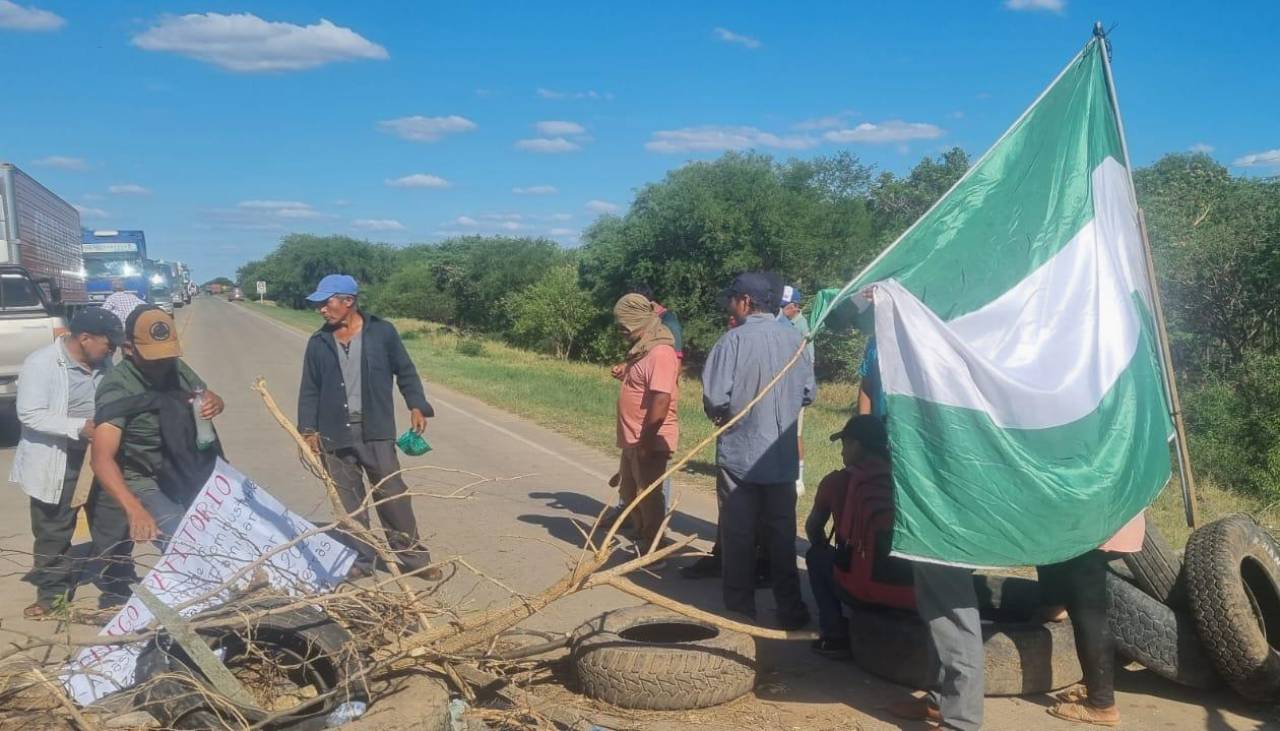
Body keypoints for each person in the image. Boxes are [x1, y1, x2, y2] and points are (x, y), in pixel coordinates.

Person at [296, 274, 440, 581]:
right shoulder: (318, 342)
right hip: (333, 435)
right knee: (349, 503)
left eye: (326, 302)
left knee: (393, 497)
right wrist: (307, 431)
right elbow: (309, 389)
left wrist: (416, 404)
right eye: (319, 304)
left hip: (376, 431)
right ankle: (361, 560)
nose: (321, 309)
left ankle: (414, 560)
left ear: (348, 302)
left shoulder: (382, 333)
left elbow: (406, 371)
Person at [699, 272, 815, 628]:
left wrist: (723, 416)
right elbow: (809, 393)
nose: (730, 305)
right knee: (781, 534)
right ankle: (790, 608)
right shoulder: (797, 340)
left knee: (738, 532)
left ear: (746, 301)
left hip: (742, 455)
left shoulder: (731, 342)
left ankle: (739, 610)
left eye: (732, 299)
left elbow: (715, 398)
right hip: (781, 458)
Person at [10, 309, 134, 617]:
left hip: (101, 456)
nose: (113, 350)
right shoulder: (41, 364)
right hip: (57, 457)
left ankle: (118, 585)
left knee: (114, 521)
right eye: (109, 343)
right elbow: (29, 413)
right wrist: (79, 427)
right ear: (85, 338)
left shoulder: (104, 362)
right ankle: (51, 596)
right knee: (53, 528)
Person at [92, 306, 226, 549]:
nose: (163, 364)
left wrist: (216, 403)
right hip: (146, 479)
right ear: (129, 349)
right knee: (183, 545)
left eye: (168, 355)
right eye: (154, 358)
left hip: (186, 468)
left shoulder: (174, 367)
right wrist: (134, 508)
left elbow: (206, 394)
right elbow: (101, 459)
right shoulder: (117, 388)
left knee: (223, 535)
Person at [1038, 514, 1145, 726]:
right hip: (1112, 519)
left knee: (1088, 609)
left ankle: (1101, 705)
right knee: (1051, 556)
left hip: (1088, 526)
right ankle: (1055, 606)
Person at [803, 415, 890, 658]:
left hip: (863, 589)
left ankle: (834, 636)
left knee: (816, 556)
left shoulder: (835, 481)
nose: (842, 453)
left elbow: (813, 530)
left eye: (845, 445)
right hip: (915, 590)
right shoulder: (905, 481)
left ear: (857, 446)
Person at [611, 294, 679, 553]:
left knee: (647, 496)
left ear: (638, 322)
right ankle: (641, 535)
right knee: (629, 494)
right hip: (633, 439)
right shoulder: (643, 348)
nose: (621, 331)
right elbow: (644, 385)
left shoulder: (660, 352)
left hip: (648, 440)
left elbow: (661, 401)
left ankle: (654, 548)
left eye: (624, 326)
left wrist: (646, 444)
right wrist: (625, 373)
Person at [777, 285, 813, 496]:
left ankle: (798, 478)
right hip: (781, 389)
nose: (781, 310)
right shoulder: (786, 323)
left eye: (784, 307)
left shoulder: (800, 327)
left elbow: (807, 362)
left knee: (795, 433)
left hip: (795, 389)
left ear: (794, 307)